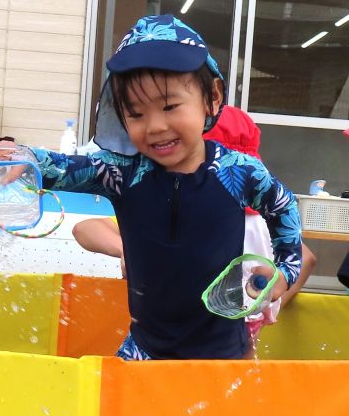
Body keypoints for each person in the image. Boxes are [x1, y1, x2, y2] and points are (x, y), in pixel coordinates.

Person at [26, 14, 302, 360]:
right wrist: (20, 157)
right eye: (136, 114)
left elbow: (283, 207)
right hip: (144, 350)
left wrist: (285, 271)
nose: (155, 126)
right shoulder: (122, 174)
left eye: (170, 106)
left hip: (225, 355)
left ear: (212, 98)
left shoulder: (237, 170)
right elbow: (63, 168)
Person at [71, 105, 317, 315]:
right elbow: (86, 229)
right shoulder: (262, 222)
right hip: (230, 335)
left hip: (181, 331)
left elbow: (85, 229)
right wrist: (269, 305)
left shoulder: (176, 213)